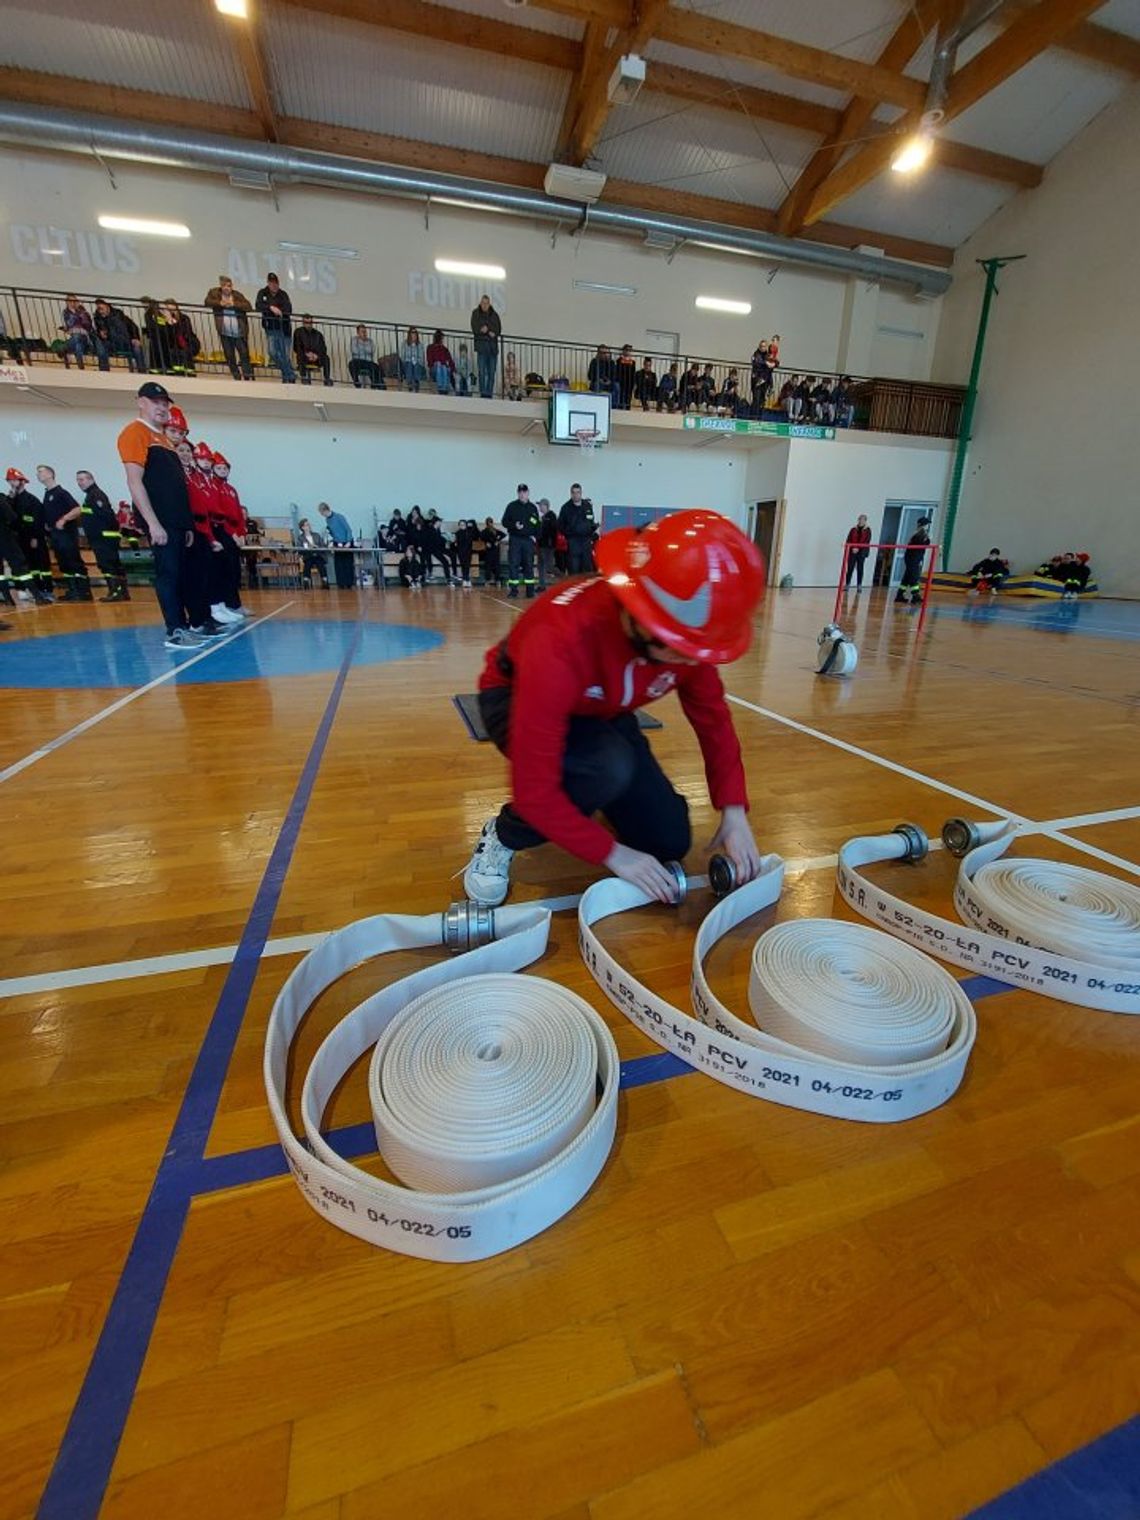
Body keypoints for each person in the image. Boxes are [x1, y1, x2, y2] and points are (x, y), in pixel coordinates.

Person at [461, 510, 765, 907]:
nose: (692, 662)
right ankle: (504, 834)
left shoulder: (685, 645)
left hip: (601, 710)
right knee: (606, 766)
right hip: (515, 697)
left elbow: (714, 722)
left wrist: (734, 811)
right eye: (681, 649)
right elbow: (535, 792)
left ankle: (589, 794)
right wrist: (613, 854)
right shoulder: (560, 641)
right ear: (643, 618)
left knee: (668, 841)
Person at [118, 382, 209, 649]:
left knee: (181, 574)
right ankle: (175, 630)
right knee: (168, 574)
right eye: (155, 401)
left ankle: (185, 625)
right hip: (161, 521)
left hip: (178, 522)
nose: (162, 407)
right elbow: (135, 482)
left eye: (164, 403)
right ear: (140, 402)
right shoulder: (134, 433)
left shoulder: (164, 440)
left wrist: (187, 524)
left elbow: (176, 486)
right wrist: (153, 523)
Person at [36, 465, 91, 602]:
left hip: (66, 535)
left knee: (73, 561)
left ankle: (83, 592)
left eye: (41, 472)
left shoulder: (61, 493)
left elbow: (77, 509)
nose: (38, 475)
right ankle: (72, 590)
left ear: (50, 474)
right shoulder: (47, 494)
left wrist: (64, 519)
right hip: (56, 537)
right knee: (64, 563)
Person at [76, 469, 129, 601]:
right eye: (78, 480)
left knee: (108, 564)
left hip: (104, 537)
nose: (79, 483)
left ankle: (116, 592)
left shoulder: (96, 495)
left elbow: (106, 516)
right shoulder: (90, 495)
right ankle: (120, 592)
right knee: (110, 564)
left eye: (82, 479)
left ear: (91, 480)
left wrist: (106, 533)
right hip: (100, 537)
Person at [210, 452, 249, 619]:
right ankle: (227, 605)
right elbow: (220, 514)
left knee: (235, 571)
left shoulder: (231, 489)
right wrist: (232, 533)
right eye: (219, 467)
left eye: (225, 467)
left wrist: (242, 533)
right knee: (225, 571)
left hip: (235, 535)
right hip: (224, 533)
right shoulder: (213, 487)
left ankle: (234, 603)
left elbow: (239, 515)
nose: (222, 470)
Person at [5, 468, 54, 602]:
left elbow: (38, 520)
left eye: (15, 480)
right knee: (25, 566)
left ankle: (46, 590)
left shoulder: (32, 500)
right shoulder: (10, 500)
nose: (13, 483)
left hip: (33, 538)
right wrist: (10, 498)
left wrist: (36, 537)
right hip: (18, 539)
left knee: (40, 565)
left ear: (22, 482)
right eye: (10, 481)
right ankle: (24, 589)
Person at [204, 276, 254, 381]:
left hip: (239, 332)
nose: (227, 288)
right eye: (224, 286)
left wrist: (233, 304)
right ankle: (236, 376)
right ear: (221, 286)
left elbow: (248, 306)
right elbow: (207, 302)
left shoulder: (237, 295)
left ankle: (248, 376)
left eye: (229, 286)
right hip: (224, 332)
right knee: (229, 356)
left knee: (244, 355)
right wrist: (220, 303)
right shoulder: (214, 294)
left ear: (232, 287)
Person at [0, 486, 37, 610]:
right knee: (20, 566)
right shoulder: (0, 499)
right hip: (5, 537)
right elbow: (12, 517)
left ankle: (8, 599)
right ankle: (37, 596)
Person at [255, 273, 296, 383]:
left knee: (284, 355)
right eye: (271, 283)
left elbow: (288, 309)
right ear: (268, 283)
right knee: (272, 352)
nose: (274, 285)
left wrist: (278, 310)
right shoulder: (262, 293)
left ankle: (287, 378)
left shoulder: (283, 294)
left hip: (284, 328)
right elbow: (258, 305)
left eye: (275, 283)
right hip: (271, 328)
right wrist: (271, 308)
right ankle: (290, 374)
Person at [502, 483, 540, 599]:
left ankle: (530, 591)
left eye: (524, 492)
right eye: (520, 492)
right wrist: (514, 525)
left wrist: (535, 536)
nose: (522, 494)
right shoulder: (511, 506)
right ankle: (514, 591)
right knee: (514, 564)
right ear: (518, 493)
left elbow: (537, 524)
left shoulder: (533, 508)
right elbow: (504, 522)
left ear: (528, 493)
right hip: (515, 539)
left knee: (528, 565)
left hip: (528, 541)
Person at [92, 298, 146, 374]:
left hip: (125, 342)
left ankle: (142, 372)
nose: (100, 311)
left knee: (137, 347)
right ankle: (104, 371)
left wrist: (135, 338)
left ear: (107, 306)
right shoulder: (98, 319)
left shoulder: (119, 314)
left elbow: (133, 326)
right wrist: (101, 335)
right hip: (112, 344)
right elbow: (99, 332)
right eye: (98, 309)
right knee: (99, 342)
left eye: (101, 308)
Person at [558, 483, 597, 575]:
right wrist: (570, 533)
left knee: (587, 570)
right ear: (570, 494)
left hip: (586, 543)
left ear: (581, 493)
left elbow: (591, 520)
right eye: (573, 493)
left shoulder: (587, 506)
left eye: (578, 492)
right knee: (574, 570)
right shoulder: (566, 508)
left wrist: (591, 529)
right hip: (573, 543)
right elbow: (560, 525)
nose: (576, 495)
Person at [470, 294, 501, 398]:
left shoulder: (494, 315)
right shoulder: (475, 313)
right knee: (482, 372)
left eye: (486, 303)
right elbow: (475, 328)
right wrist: (487, 331)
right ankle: (483, 394)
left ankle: (489, 394)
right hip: (481, 348)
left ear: (489, 304)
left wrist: (487, 330)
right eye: (483, 303)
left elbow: (498, 330)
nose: (484, 305)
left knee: (491, 373)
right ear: (480, 303)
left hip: (492, 349)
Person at [895, 516, 931, 605]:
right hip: (913, 558)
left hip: (913, 558)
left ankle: (899, 595)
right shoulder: (920, 534)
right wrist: (928, 540)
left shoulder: (918, 533)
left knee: (907, 578)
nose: (928, 526)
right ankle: (915, 596)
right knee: (914, 577)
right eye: (927, 524)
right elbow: (922, 545)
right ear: (923, 525)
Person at [318, 501, 355, 588]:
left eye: (322, 512)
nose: (322, 515)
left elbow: (348, 530)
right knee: (338, 563)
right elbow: (332, 532)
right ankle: (341, 583)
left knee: (347, 563)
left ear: (325, 510)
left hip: (347, 542)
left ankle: (349, 583)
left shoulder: (339, 517)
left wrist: (348, 542)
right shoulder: (327, 520)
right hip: (337, 543)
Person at [294, 315, 333, 386]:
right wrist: (307, 354)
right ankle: (304, 377)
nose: (308, 324)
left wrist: (317, 356)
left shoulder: (318, 334)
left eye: (310, 323)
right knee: (300, 355)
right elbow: (296, 347)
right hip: (304, 356)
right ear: (303, 322)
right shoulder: (298, 332)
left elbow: (323, 348)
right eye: (306, 322)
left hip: (317, 358)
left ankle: (327, 379)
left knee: (326, 358)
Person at [60, 294, 94, 369]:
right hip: (75, 336)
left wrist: (82, 313)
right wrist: (76, 314)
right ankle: (81, 367)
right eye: (70, 301)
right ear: (67, 302)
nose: (73, 303)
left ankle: (64, 348)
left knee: (77, 336)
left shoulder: (83, 311)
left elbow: (88, 325)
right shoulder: (66, 312)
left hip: (84, 336)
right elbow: (69, 323)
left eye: (74, 301)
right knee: (78, 345)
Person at [296, 517, 330, 588]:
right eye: (307, 525)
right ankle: (306, 581)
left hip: (318, 554)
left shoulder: (316, 535)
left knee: (320, 564)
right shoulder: (300, 538)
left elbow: (323, 545)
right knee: (307, 564)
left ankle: (324, 580)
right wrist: (308, 547)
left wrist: (316, 546)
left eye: (309, 525)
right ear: (303, 527)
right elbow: (299, 549)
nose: (309, 526)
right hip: (308, 555)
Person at [349, 325, 383, 389]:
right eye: (362, 332)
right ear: (358, 333)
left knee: (376, 367)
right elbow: (354, 350)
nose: (364, 333)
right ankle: (357, 383)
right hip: (357, 360)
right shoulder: (354, 340)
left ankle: (375, 384)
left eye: (365, 331)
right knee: (351, 364)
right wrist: (364, 347)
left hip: (368, 361)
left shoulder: (370, 341)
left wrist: (360, 347)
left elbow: (371, 350)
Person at [844, 514, 872, 589]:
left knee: (860, 568)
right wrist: (853, 548)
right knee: (850, 568)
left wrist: (858, 548)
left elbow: (867, 541)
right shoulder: (853, 529)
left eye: (863, 519)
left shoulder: (868, 530)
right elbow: (849, 539)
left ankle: (859, 585)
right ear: (858, 520)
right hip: (852, 551)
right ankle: (847, 584)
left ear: (865, 521)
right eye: (860, 519)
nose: (861, 521)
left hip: (861, 552)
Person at [537, 498, 558, 588]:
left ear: (545, 506)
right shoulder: (543, 518)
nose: (539, 508)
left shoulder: (551, 516)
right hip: (542, 545)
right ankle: (542, 585)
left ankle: (564, 579)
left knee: (549, 566)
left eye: (541, 505)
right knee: (541, 565)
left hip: (548, 546)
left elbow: (553, 530)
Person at [426, 330, 455, 394]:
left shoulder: (445, 349)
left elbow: (450, 361)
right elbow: (430, 361)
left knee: (444, 367)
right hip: (434, 369)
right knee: (439, 364)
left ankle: (443, 388)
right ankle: (441, 386)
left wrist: (451, 368)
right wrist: (438, 363)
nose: (442, 340)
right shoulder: (430, 347)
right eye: (442, 338)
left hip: (444, 369)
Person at [477, 517, 504, 586]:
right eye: (488, 522)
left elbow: (503, 535)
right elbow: (480, 538)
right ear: (486, 523)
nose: (490, 524)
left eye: (491, 522)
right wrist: (486, 543)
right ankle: (487, 580)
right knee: (488, 566)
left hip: (495, 550)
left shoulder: (496, 530)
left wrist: (498, 541)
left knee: (497, 566)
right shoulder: (484, 531)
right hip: (488, 550)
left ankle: (497, 580)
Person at [454, 518, 478, 588]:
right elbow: (456, 543)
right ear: (459, 525)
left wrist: (473, 525)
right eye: (460, 525)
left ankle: (467, 579)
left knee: (467, 565)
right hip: (460, 552)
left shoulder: (469, 532)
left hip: (468, 551)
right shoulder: (457, 533)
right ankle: (465, 579)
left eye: (463, 524)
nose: (462, 526)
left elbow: (476, 535)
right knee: (463, 565)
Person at [401, 326, 426, 392]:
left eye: (415, 333)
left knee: (416, 365)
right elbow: (403, 356)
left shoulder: (420, 345)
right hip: (407, 362)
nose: (414, 334)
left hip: (417, 363)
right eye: (412, 333)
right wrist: (411, 359)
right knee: (409, 364)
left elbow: (422, 357)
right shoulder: (405, 344)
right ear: (409, 334)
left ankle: (416, 382)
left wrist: (416, 360)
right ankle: (410, 383)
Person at [750, 342, 773, 414]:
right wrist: (766, 363)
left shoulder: (768, 355)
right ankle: (753, 417)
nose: (763, 348)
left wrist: (773, 364)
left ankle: (760, 417)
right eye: (762, 346)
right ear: (759, 347)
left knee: (762, 400)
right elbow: (756, 362)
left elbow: (773, 365)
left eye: (764, 346)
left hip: (765, 380)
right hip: (757, 380)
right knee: (756, 398)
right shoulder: (756, 354)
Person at [616, 344, 637, 410]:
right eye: (627, 350)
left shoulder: (633, 362)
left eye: (630, 351)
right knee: (621, 397)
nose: (628, 352)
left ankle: (627, 409)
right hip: (621, 381)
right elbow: (618, 371)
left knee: (628, 398)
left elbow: (633, 373)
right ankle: (620, 408)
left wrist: (634, 383)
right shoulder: (619, 360)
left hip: (629, 383)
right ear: (623, 351)